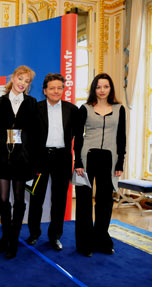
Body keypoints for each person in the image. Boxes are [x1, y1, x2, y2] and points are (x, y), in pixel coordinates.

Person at [0, 65, 37, 259]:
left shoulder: (32, 103)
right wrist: (18, 136)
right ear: (13, 78)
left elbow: (33, 132)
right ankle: (5, 236)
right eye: (20, 79)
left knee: (19, 201)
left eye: (27, 81)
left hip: (23, 159)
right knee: (4, 201)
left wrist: (18, 139)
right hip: (3, 158)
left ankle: (14, 240)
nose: (23, 83)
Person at [74, 73, 126, 257]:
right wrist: (77, 161)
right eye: (98, 87)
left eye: (106, 86)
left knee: (105, 202)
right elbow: (78, 137)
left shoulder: (120, 109)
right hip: (87, 159)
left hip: (109, 160)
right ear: (93, 89)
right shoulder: (85, 108)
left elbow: (121, 137)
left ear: (110, 88)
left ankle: (102, 240)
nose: (102, 90)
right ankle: (84, 243)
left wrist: (120, 161)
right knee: (84, 202)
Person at [26, 73, 78, 251]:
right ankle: (34, 234)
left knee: (59, 200)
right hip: (39, 159)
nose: (56, 91)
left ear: (63, 89)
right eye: (52, 88)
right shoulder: (35, 108)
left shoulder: (72, 110)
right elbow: (28, 136)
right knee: (36, 198)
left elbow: (78, 137)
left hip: (63, 160)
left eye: (59, 88)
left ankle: (55, 236)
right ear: (45, 91)